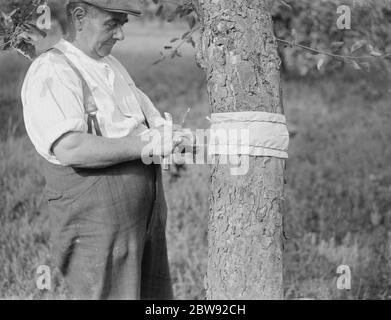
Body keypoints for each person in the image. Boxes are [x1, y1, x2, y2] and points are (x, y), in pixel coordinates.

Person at [21, 0, 191, 300]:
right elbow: (70, 147)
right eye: (112, 23)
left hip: (142, 217)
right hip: (95, 222)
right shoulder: (52, 70)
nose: (120, 35)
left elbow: (147, 121)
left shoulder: (112, 65)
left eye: (122, 24)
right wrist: (149, 144)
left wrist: (173, 138)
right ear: (79, 16)